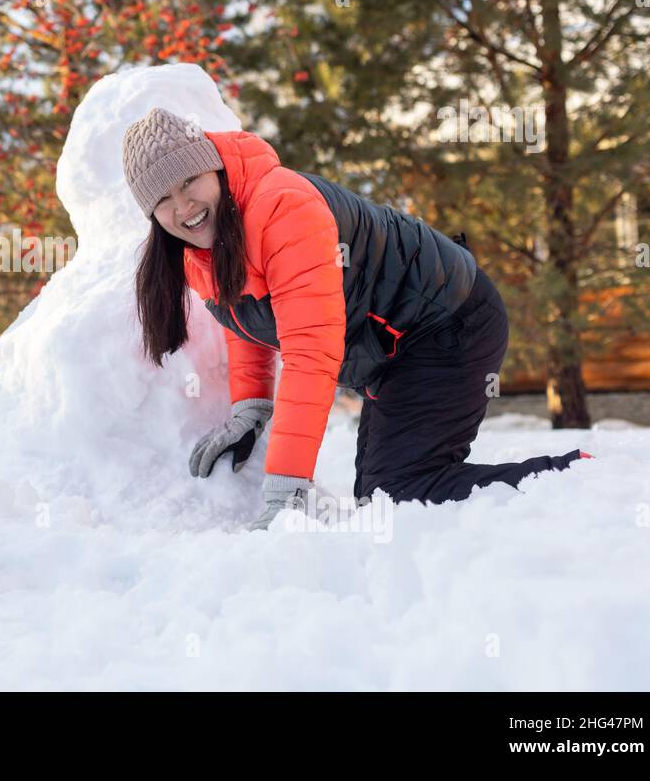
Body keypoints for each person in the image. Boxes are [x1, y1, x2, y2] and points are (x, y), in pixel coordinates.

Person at [121, 107, 590, 530]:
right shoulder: (195, 250)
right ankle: (554, 485)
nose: (183, 207)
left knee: (400, 492)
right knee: (381, 495)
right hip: (397, 348)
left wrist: (286, 486)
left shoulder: (281, 207)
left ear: (215, 169)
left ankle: (575, 480)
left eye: (189, 182)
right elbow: (247, 318)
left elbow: (310, 351)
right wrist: (251, 407)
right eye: (163, 199)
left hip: (449, 321)